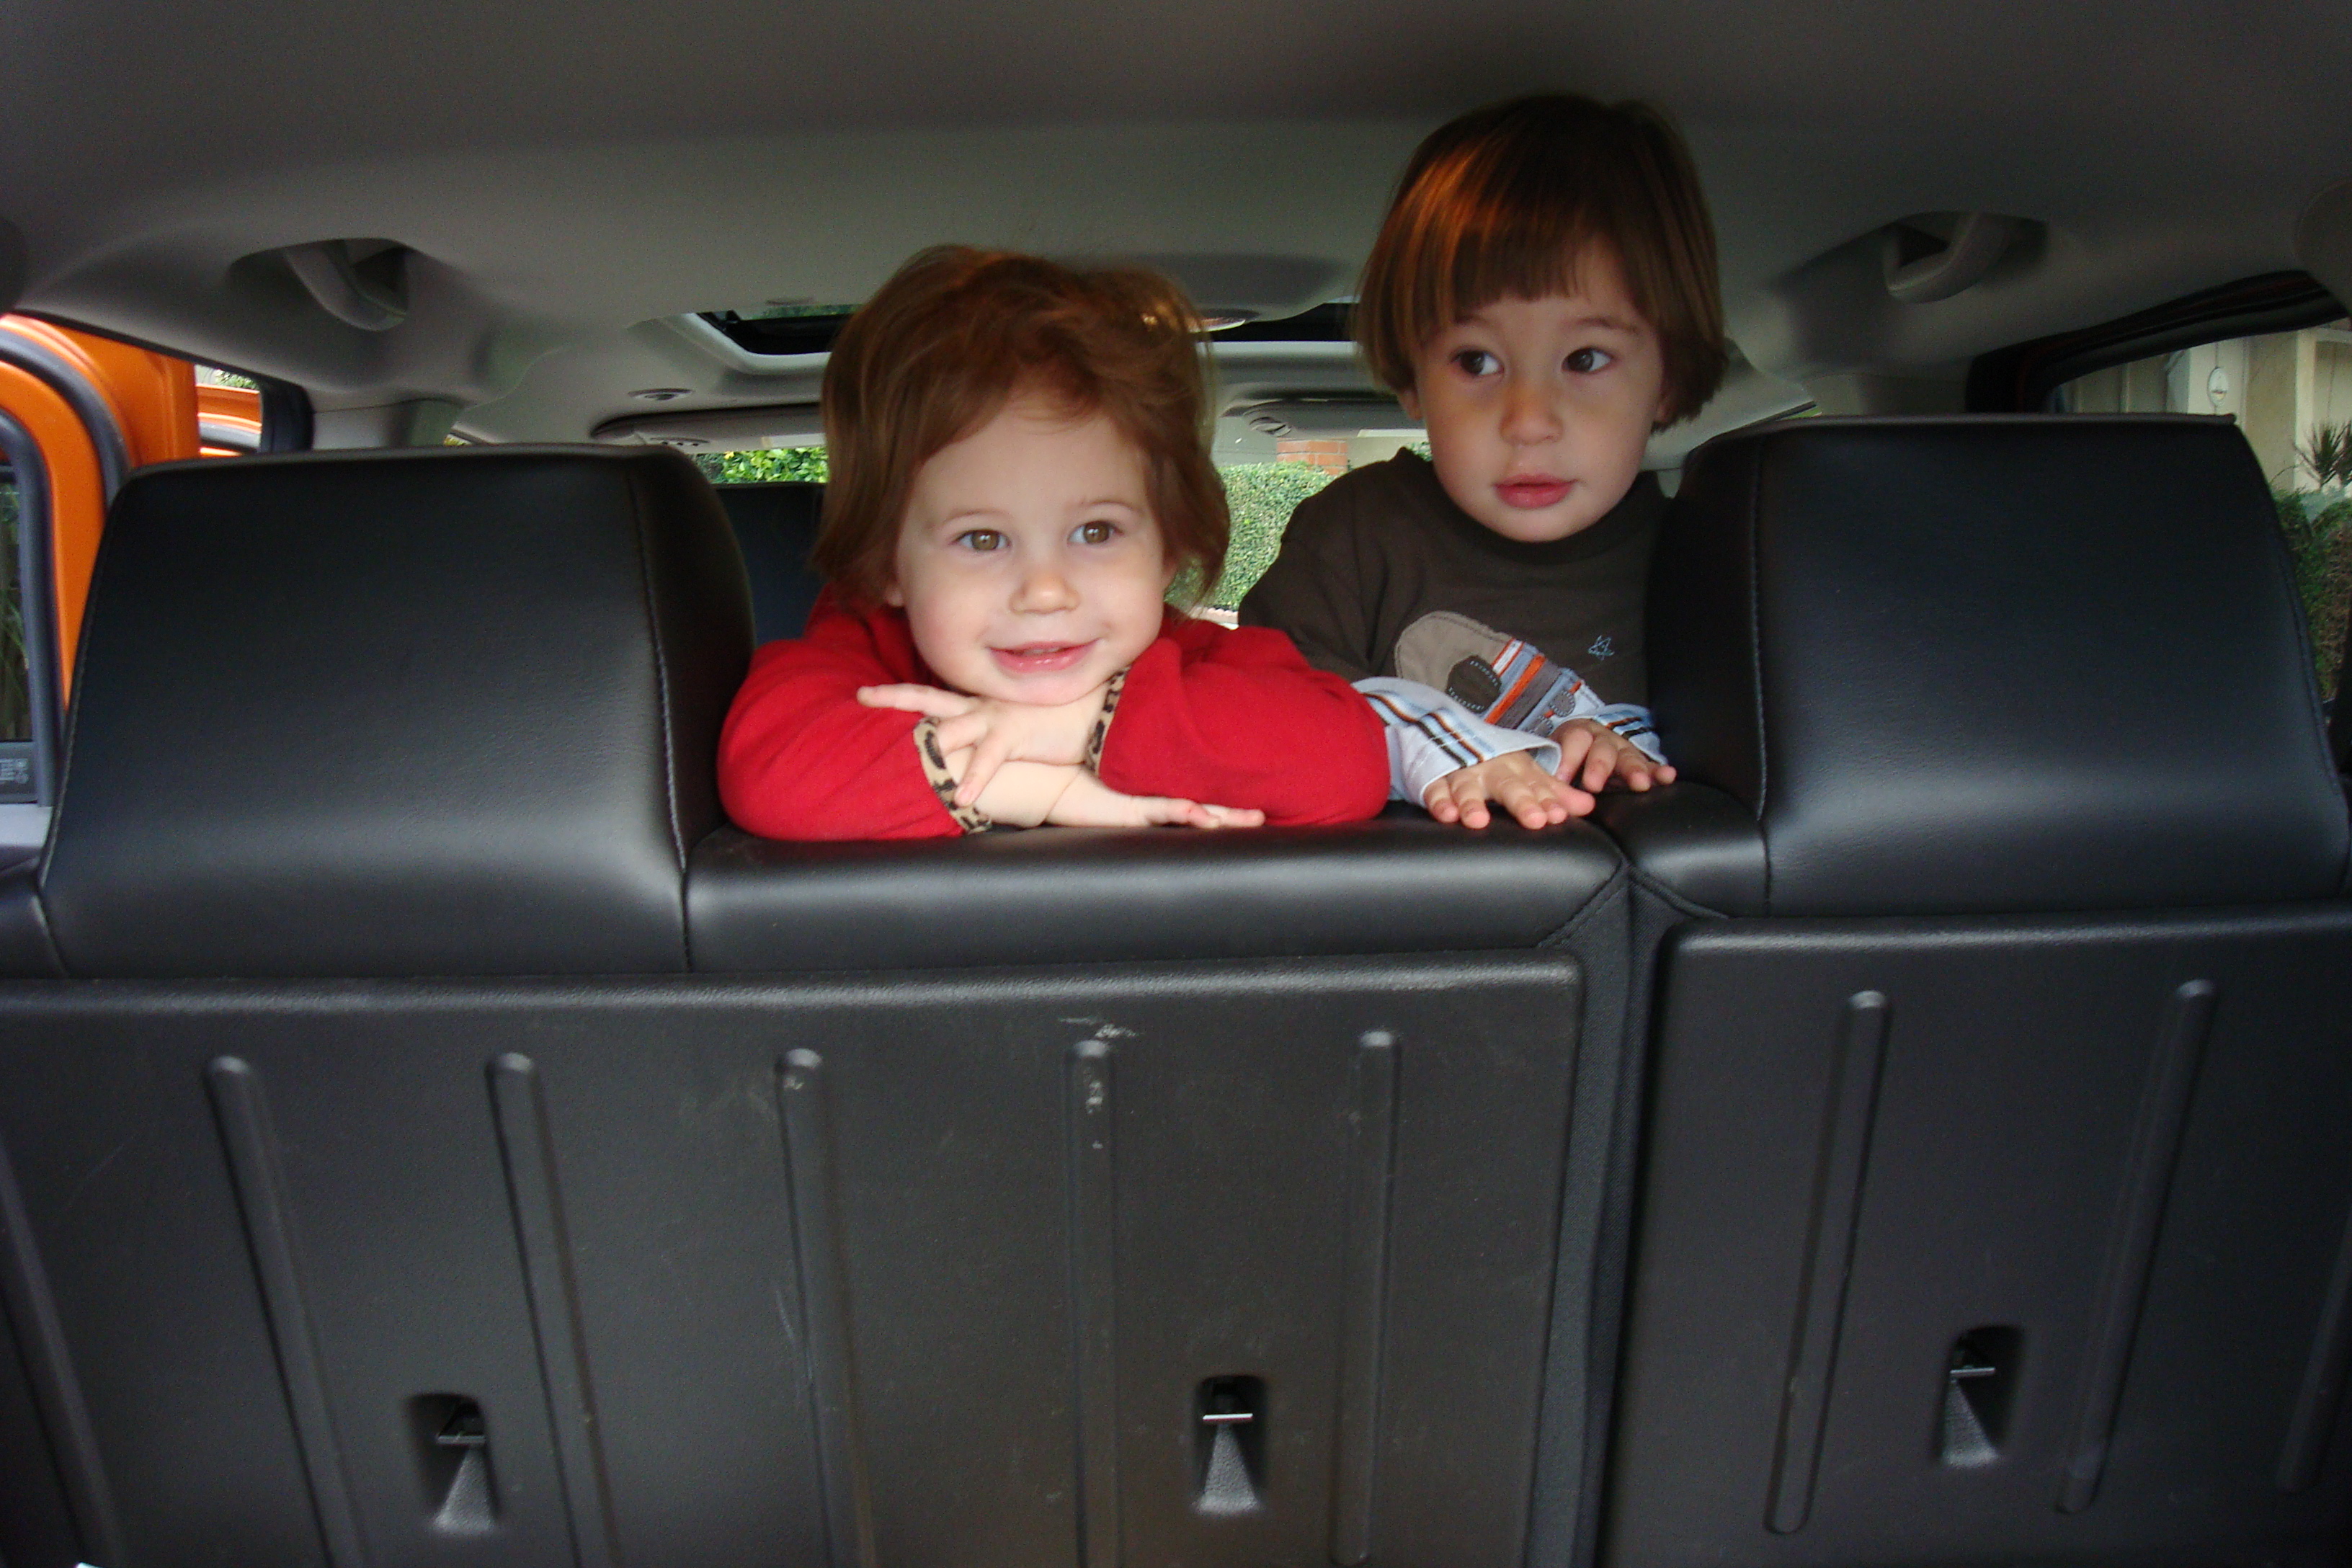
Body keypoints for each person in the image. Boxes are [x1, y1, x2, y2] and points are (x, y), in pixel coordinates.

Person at [719, 246, 1391, 842]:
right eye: (982, 539)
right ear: (887, 561)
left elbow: (1350, 762)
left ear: (1168, 549)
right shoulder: (864, 660)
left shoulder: (1203, 663)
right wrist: (1047, 792)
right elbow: (769, 771)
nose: (1045, 592)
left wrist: (1072, 728)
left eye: (1096, 532)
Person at [1241, 94, 1729, 830]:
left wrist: (1615, 742)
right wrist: (1442, 743)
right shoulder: (1354, 534)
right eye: (1476, 361)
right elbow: (1262, 714)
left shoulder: (1701, 563)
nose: (1528, 422)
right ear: (1412, 378)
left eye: (1585, 359)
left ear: (1667, 378)